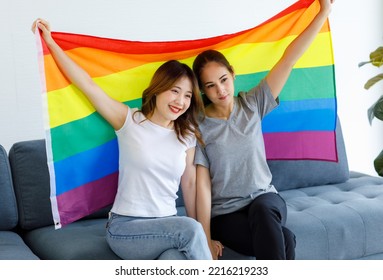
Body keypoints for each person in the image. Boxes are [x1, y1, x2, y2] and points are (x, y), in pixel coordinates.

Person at [32, 19, 212, 260]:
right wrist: (51, 43)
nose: (180, 101)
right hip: (126, 228)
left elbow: (189, 186)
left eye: (188, 95)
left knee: (175, 259)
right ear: (158, 89)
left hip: (167, 226)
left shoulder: (186, 135)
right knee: (190, 229)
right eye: (175, 91)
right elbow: (86, 84)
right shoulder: (129, 121)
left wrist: (198, 236)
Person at [192, 0, 334, 260]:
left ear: (232, 75)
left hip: (267, 200)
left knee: (262, 210)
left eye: (223, 80)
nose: (220, 90)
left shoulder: (252, 103)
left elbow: (289, 59)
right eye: (210, 86)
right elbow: (201, 187)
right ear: (203, 90)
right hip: (226, 214)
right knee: (286, 239)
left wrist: (323, 12)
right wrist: (204, 234)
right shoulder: (199, 127)